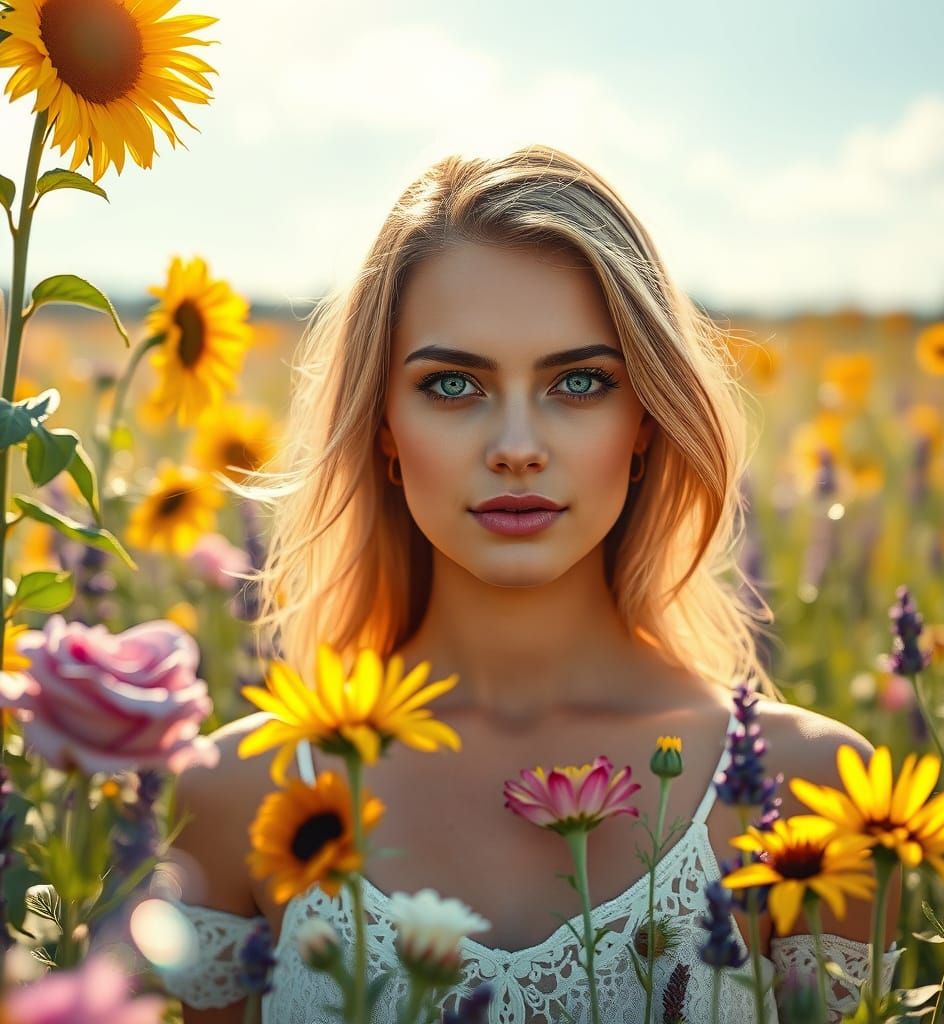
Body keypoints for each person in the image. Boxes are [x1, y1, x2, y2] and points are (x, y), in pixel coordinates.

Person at [158, 144, 899, 1023]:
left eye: (579, 382)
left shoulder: (813, 790)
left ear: (648, 423)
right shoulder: (234, 793)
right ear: (385, 429)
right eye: (454, 384)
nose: (516, 443)